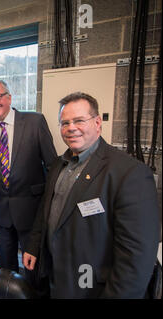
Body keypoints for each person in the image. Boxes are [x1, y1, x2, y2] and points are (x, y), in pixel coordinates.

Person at [23, 92, 161, 298]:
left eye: (79, 120)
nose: (71, 128)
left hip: (91, 287)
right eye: (65, 123)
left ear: (97, 123)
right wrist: (34, 246)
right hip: (55, 275)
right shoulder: (59, 165)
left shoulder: (130, 173)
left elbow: (136, 259)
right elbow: (46, 209)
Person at [0, 80, 57, 278]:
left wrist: (53, 204)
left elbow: (52, 166)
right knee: (5, 269)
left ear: (9, 97)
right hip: (1, 212)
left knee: (35, 269)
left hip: (32, 211)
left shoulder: (35, 122)